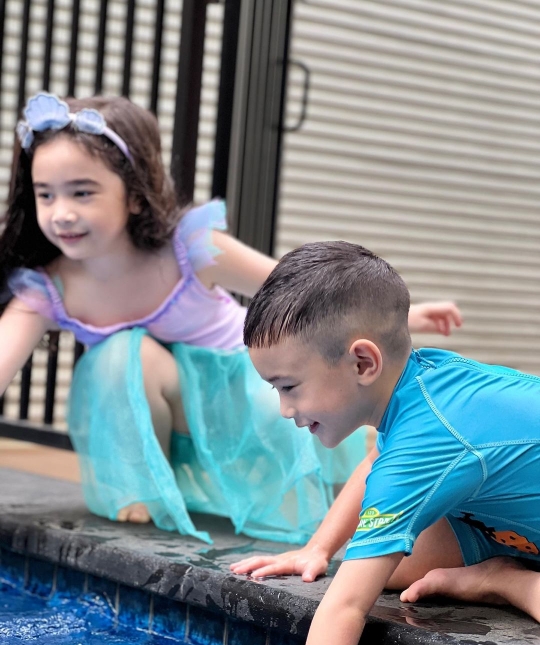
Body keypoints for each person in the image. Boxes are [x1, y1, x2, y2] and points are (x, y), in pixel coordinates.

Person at [0, 92, 460, 547]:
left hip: (244, 398)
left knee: (301, 445)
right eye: (46, 194)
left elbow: (296, 289)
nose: (62, 212)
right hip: (169, 408)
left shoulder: (187, 248)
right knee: (121, 354)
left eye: (82, 192)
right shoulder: (49, 286)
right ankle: (151, 489)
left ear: (135, 195)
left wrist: (406, 315)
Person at [230, 240, 540, 645]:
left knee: (361, 576)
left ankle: (507, 581)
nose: (285, 410)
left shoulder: (428, 438)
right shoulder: (417, 384)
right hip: (503, 525)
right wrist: (317, 548)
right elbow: (377, 460)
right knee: (384, 565)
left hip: (513, 532)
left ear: (362, 363)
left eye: (289, 387)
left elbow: (344, 609)